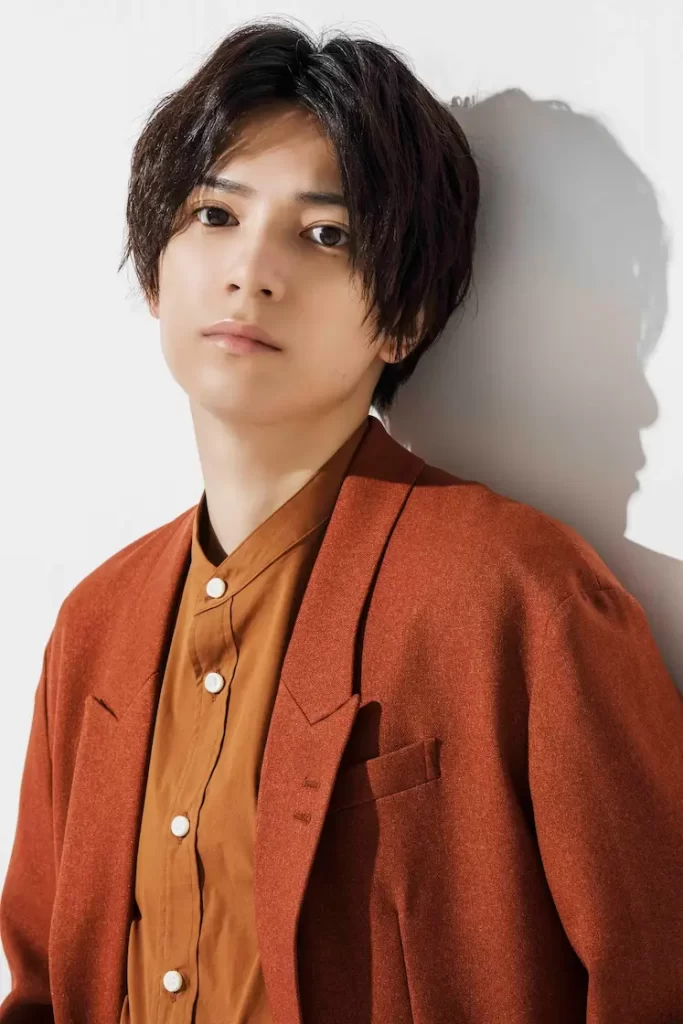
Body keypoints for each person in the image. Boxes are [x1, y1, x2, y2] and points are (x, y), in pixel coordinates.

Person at [1, 16, 682, 1024]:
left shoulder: (516, 594)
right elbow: (43, 987)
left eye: (326, 234)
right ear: (154, 273)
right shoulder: (94, 627)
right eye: (214, 214)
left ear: (404, 317)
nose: (251, 270)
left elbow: (656, 971)